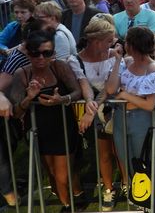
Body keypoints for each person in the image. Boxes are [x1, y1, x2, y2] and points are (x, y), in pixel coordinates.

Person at [11, 30, 82, 210]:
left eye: (47, 53)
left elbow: (77, 91)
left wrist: (62, 99)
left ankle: (68, 205)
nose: (41, 58)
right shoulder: (23, 74)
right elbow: (17, 111)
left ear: (53, 53)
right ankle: (74, 196)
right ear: (28, 53)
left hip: (63, 128)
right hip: (38, 131)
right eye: (36, 53)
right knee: (50, 172)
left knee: (62, 174)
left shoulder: (60, 67)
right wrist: (29, 97)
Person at [72, 16, 126, 211]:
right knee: (103, 153)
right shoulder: (76, 59)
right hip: (96, 110)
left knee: (119, 150)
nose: (112, 43)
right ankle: (108, 189)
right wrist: (90, 105)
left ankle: (128, 185)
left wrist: (91, 108)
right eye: (108, 40)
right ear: (95, 41)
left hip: (116, 109)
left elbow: (110, 89)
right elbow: (84, 84)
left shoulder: (114, 56)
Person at [105, 27, 155, 179]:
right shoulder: (126, 61)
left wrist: (125, 94)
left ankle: (146, 198)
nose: (123, 44)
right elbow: (111, 88)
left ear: (133, 44)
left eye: (126, 41)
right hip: (120, 117)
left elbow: (149, 105)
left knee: (142, 161)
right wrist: (118, 60)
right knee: (124, 159)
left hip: (142, 119)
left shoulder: (153, 68)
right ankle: (133, 195)